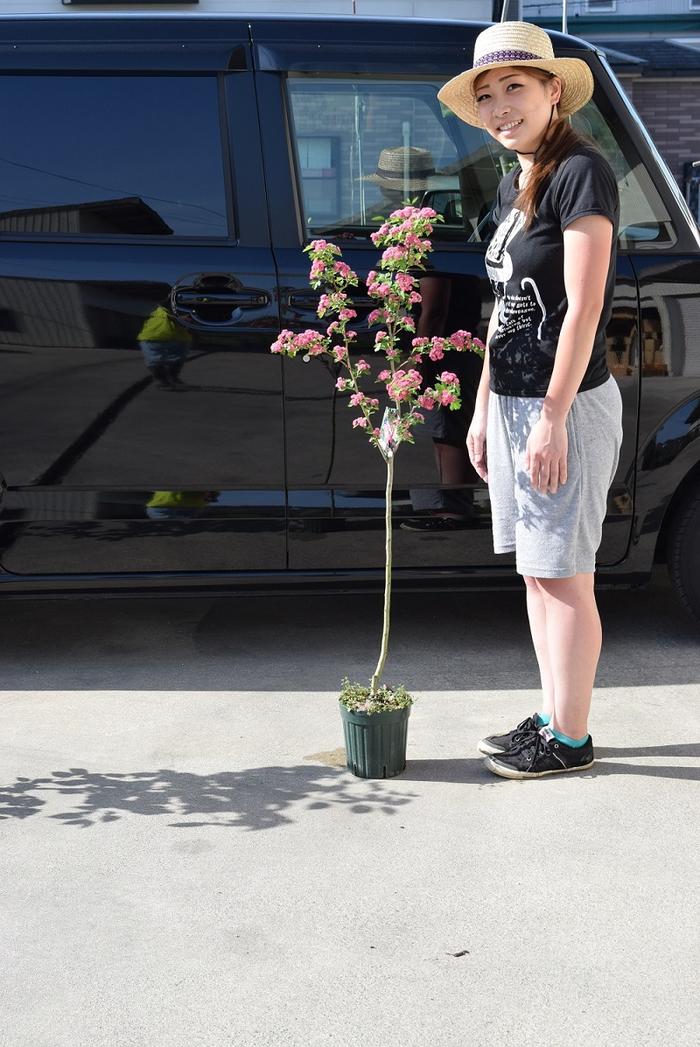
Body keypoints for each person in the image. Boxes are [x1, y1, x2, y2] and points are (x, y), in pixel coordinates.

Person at [438, 21, 623, 779]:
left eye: (515, 86)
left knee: (566, 572)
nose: (500, 105)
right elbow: (508, 304)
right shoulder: (520, 180)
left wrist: (549, 415)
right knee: (537, 571)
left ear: (554, 91)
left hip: (564, 406)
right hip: (517, 402)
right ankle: (553, 714)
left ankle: (570, 740)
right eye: (487, 94)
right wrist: (486, 407)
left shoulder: (583, 170)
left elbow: (583, 308)